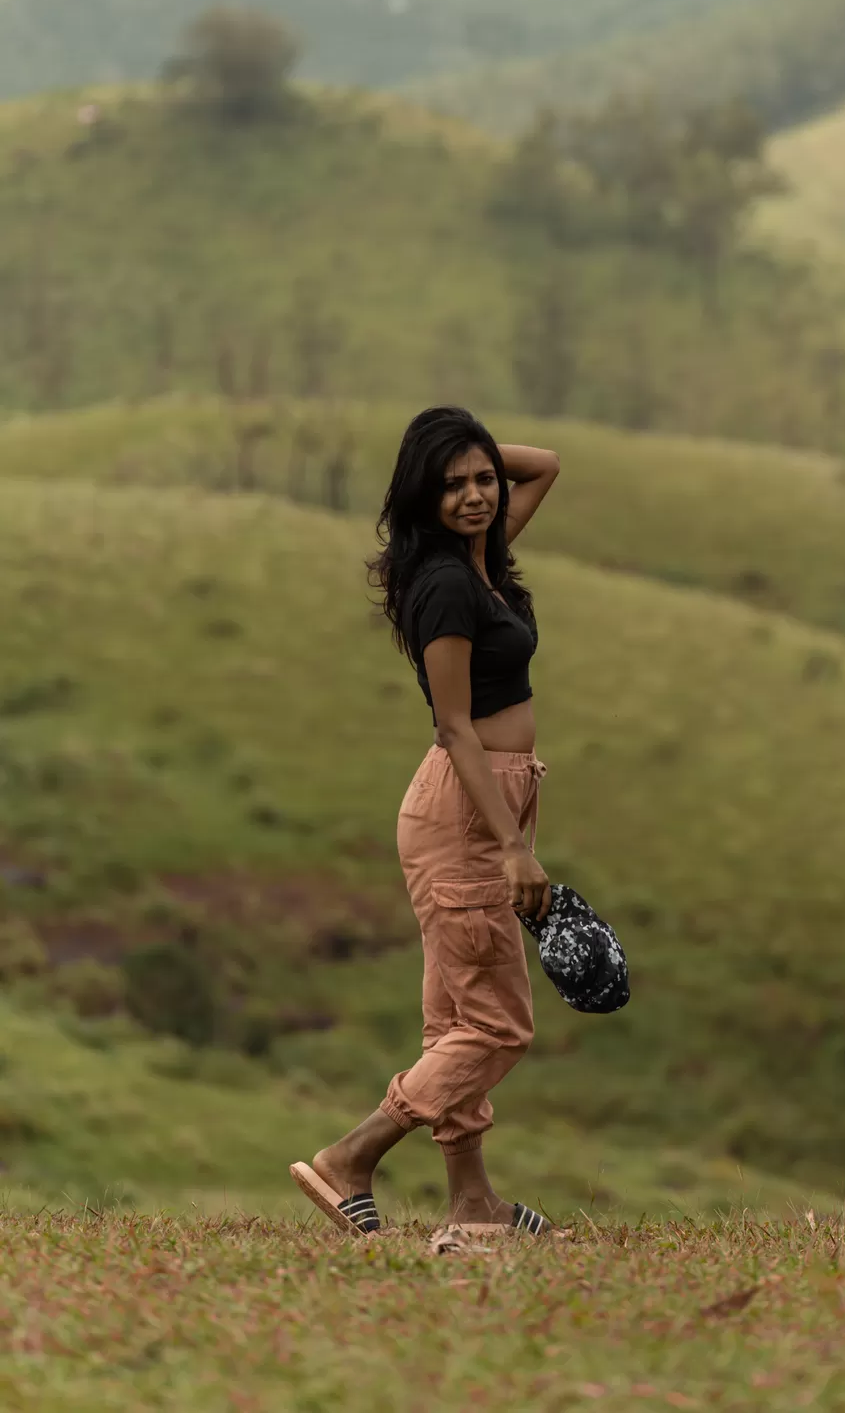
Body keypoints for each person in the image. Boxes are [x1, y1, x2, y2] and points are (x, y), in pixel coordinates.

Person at [290, 406, 561, 1244]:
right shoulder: (445, 584)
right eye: (452, 487)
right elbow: (456, 726)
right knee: (496, 1026)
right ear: (424, 498)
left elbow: (543, 464)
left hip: (477, 804)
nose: (477, 495)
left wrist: (462, 440)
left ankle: (472, 1206)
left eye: (483, 479)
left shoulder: (482, 560)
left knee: (455, 1022)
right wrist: (511, 845)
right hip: (466, 809)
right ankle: (351, 1158)